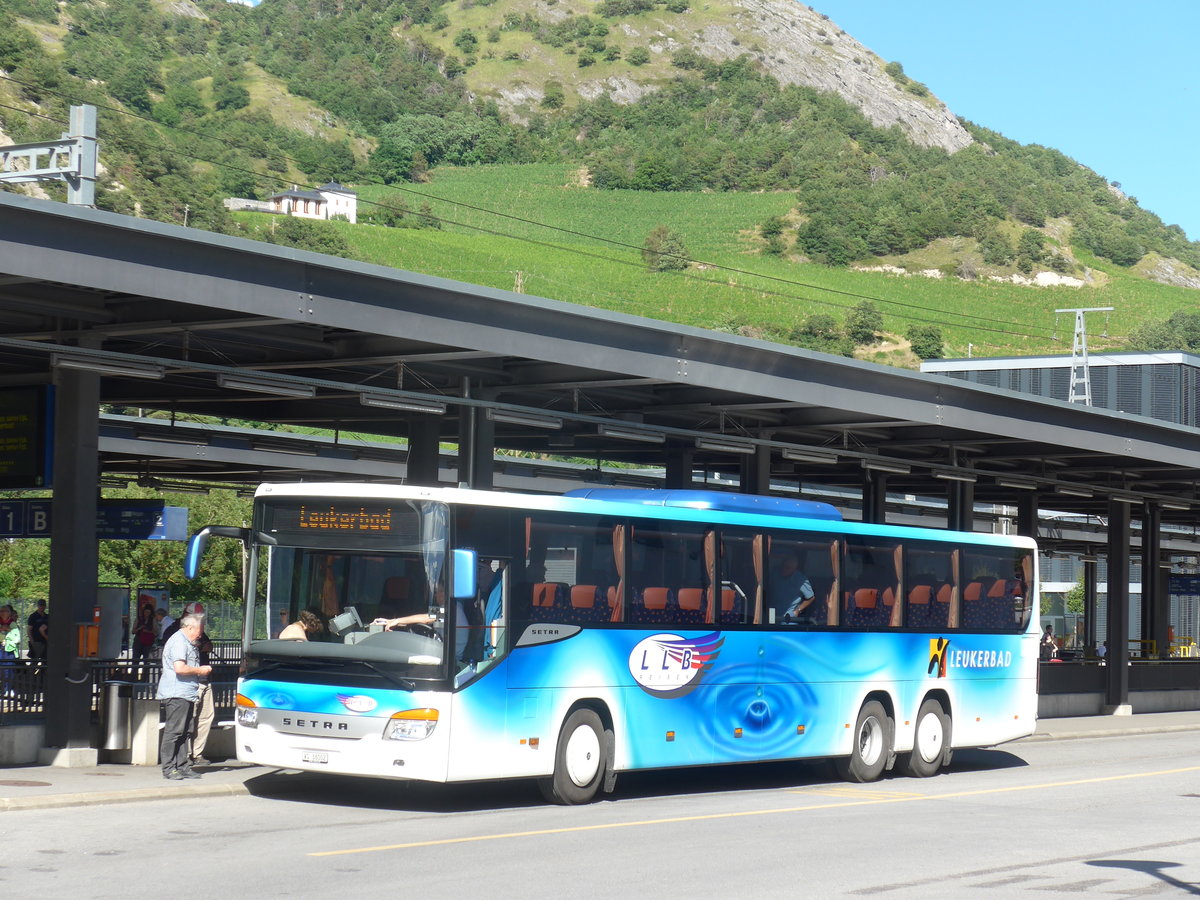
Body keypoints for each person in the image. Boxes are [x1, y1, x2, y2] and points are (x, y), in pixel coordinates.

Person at [155, 611, 211, 781]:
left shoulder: (187, 641)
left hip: (185, 693)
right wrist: (200, 670)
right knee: (174, 731)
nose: (201, 634)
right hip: (177, 693)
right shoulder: (179, 642)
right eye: (199, 630)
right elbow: (180, 668)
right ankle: (169, 768)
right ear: (189, 627)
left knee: (185, 731)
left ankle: (183, 766)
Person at [768, 553, 816, 623]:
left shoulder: (800, 579)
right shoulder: (775, 572)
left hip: (788, 617)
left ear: (794, 569)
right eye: (783, 566)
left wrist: (798, 610)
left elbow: (811, 597)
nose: (784, 569)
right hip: (773, 614)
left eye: (788, 568)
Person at [131, 603, 157, 679]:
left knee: (146, 661)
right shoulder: (139, 619)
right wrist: (140, 628)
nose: (147, 614)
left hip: (147, 642)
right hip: (138, 641)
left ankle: (144, 678)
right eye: (146, 612)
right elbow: (133, 631)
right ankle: (134, 678)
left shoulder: (153, 620)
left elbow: (155, 632)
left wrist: (148, 631)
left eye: (148, 612)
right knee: (135, 661)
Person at [0, 605, 19, 699]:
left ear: (9, 613)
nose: (3, 613)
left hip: (9, 650)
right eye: (1, 611)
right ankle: (2, 689)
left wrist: (8, 631)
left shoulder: (13, 624)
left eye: (5, 611)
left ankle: (8, 689)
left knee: (9, 670)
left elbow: (17, 639)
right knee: (1, 671)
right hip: (0, 649)